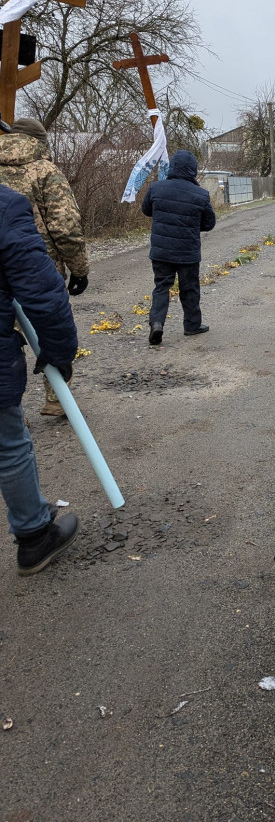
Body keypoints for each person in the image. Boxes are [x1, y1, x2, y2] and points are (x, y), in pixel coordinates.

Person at [0, 182, 79, 575]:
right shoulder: (6, 205)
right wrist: (60, 353)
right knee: (8, 445)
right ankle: (33, 536)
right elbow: (43, 296)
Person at [0, 117, 89, 417]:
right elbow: (65, 227)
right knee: (46, 328)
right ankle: (56, 398)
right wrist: (79, 268)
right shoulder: (44, 170)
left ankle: (11, 412)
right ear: (40, 141)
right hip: (38, 265)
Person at [141, 149, 216, 345]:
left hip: (161, 250)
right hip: (188, 252)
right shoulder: (201, 194)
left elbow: (146, 210)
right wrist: (192, 224)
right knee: (189, 288)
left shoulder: (156, 188)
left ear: (172, 167)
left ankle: (157, 323)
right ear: (193, 170)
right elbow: (209, 224)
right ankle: (192, 325)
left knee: (161, 287)